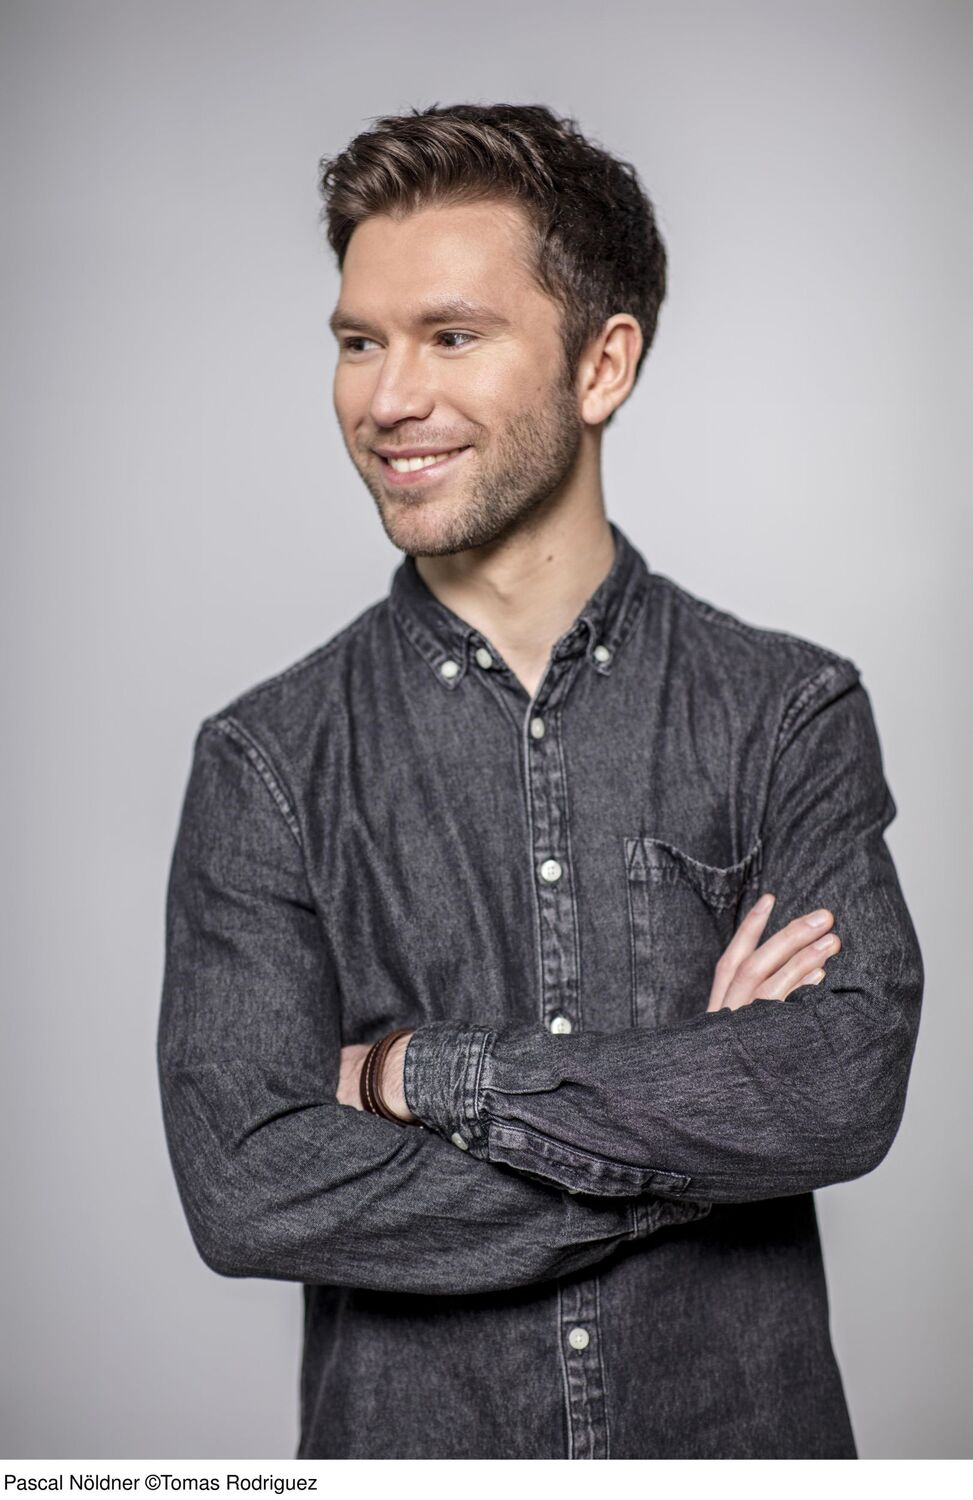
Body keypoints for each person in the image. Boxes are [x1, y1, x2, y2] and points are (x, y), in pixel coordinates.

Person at [156, 102, 923, 1460]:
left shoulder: (786, 712)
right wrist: (699, 1135)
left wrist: (420, 1074)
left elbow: (838, 1087)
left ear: (601, 364)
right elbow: (251, 1186)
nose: (386, 399)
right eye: (358, 341)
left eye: (450, 336)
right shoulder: (265, 762)